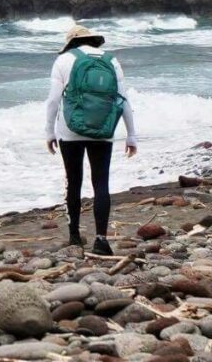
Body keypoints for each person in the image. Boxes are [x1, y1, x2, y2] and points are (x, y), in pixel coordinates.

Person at [45, 25, 137, 255]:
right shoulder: (111, 60)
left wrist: (49, 131)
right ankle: (101, 240)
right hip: (103, 128)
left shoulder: (64, 60)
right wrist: (131, 135)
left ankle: (75, 236)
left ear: (71, 42)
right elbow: (123, 99)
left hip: (70, 130)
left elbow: (53, 101)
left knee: (73, 181)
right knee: (101, 183)